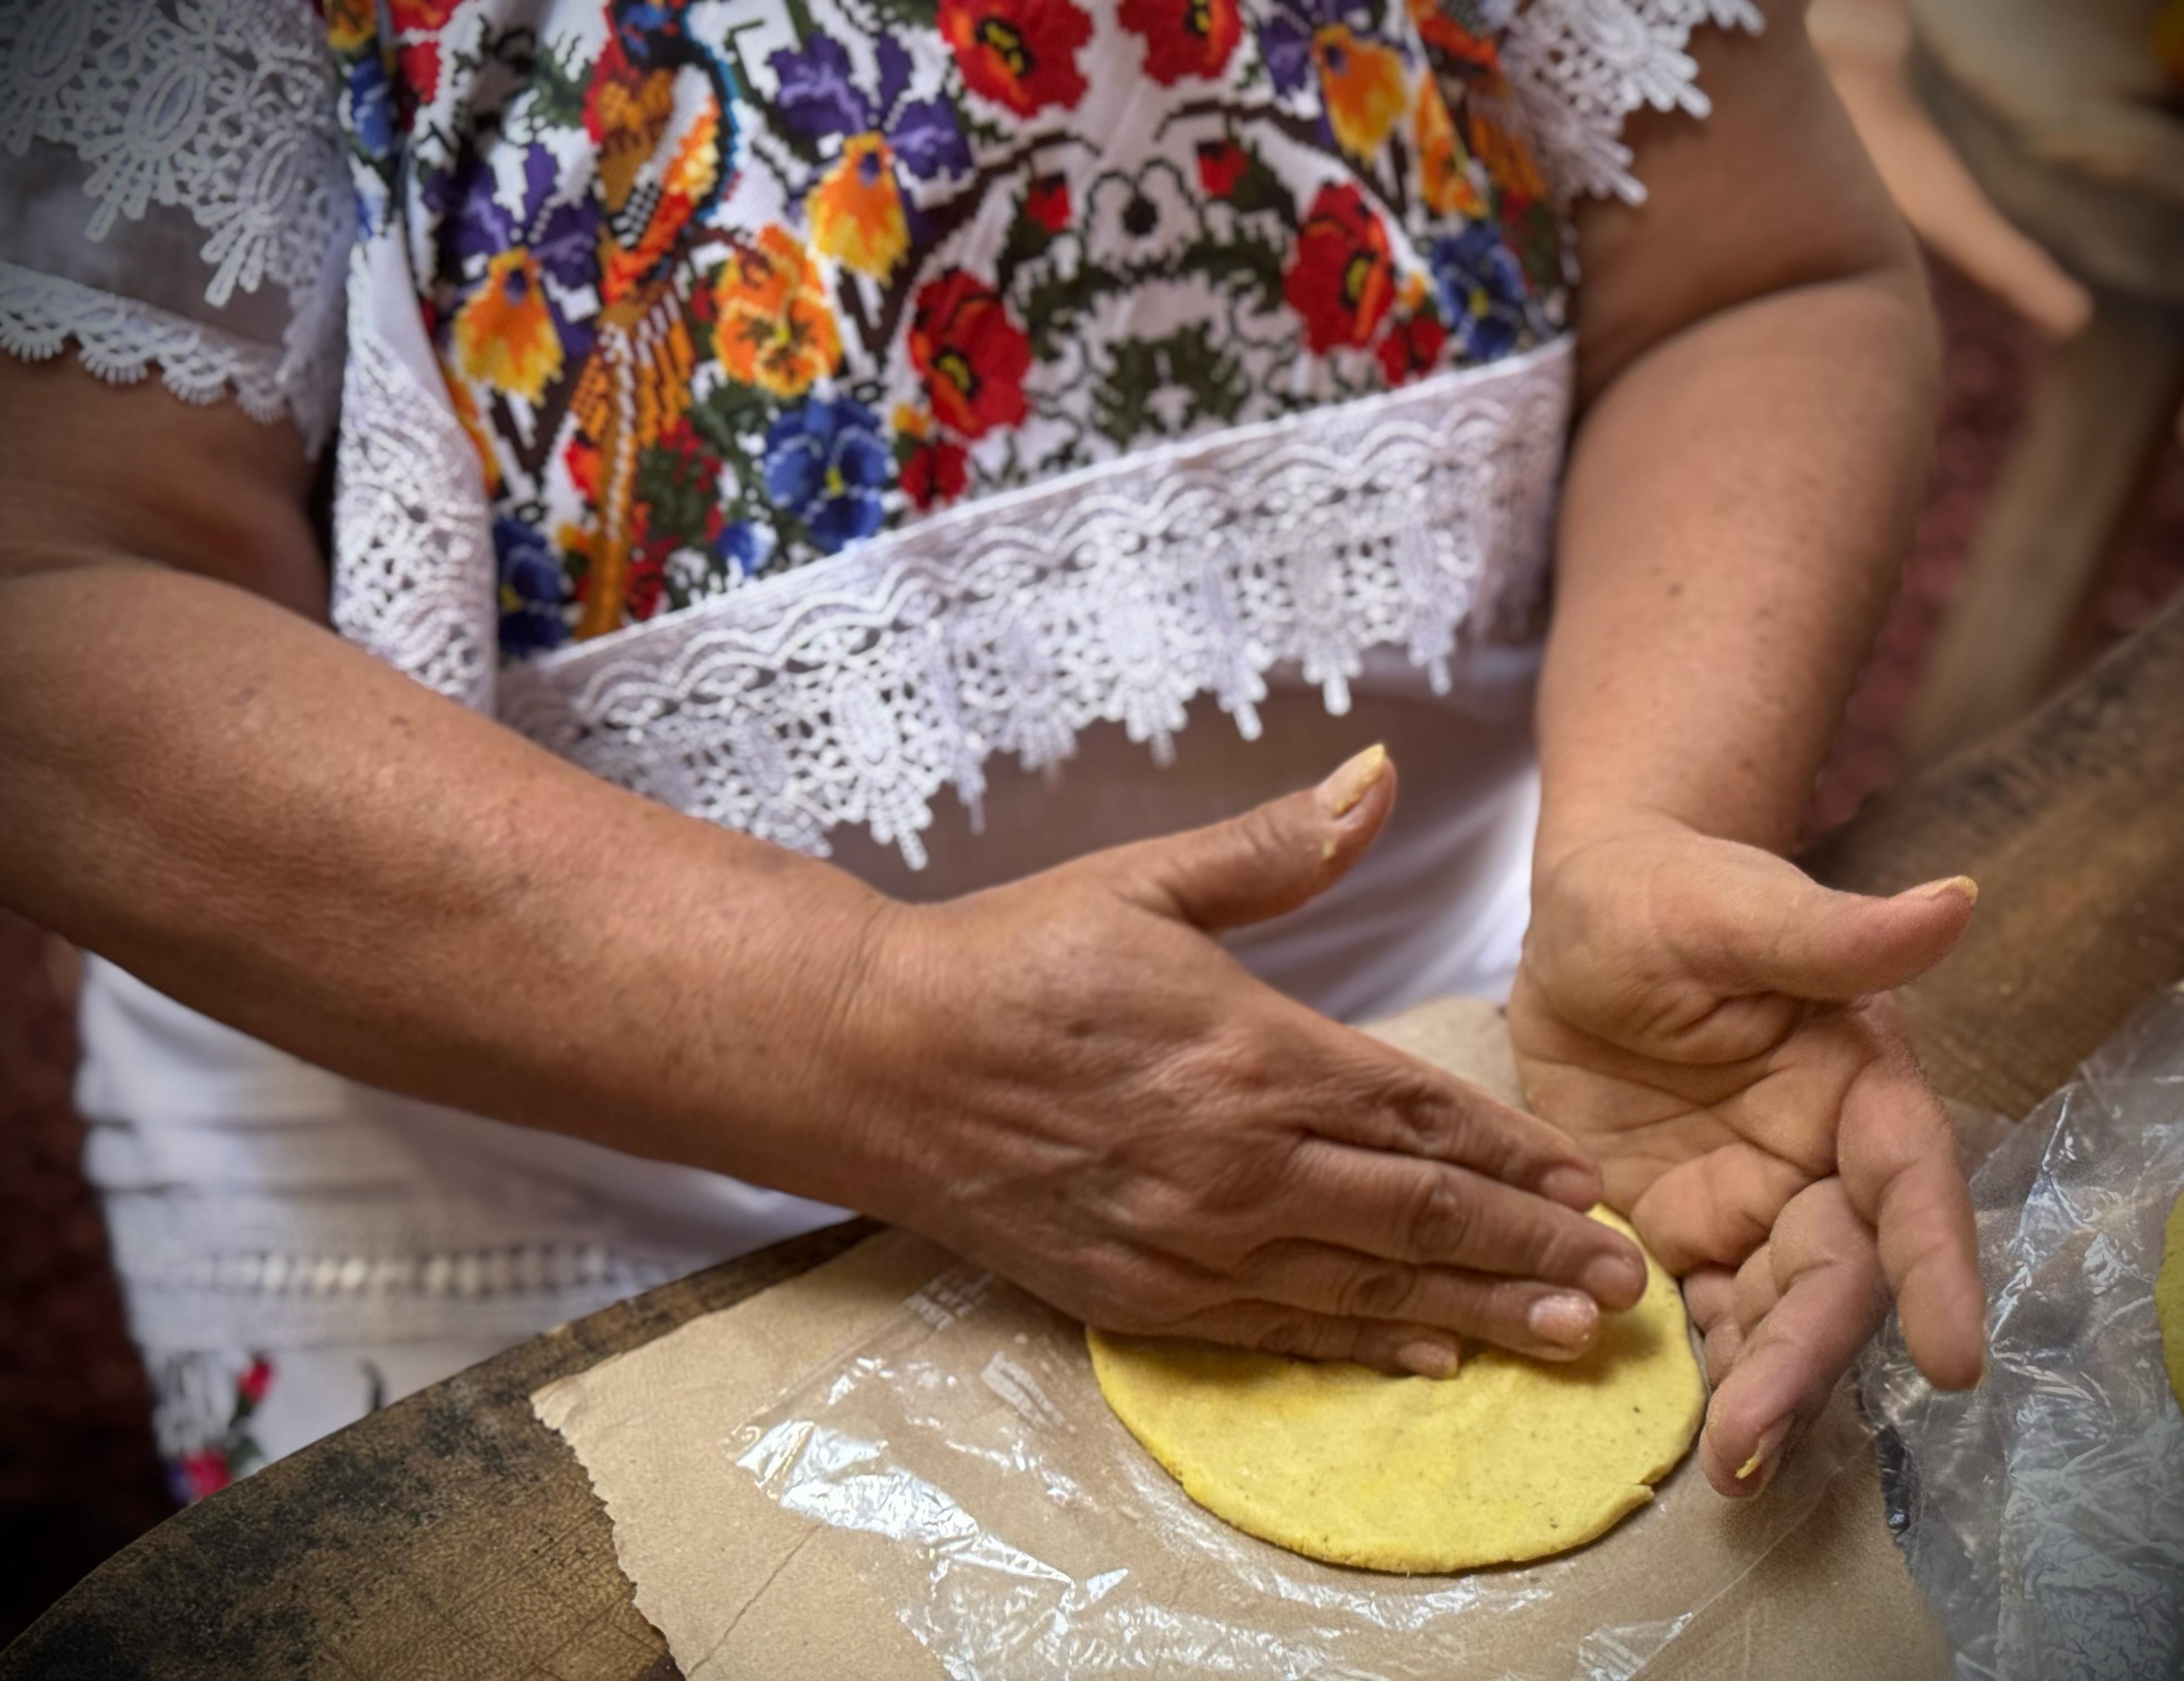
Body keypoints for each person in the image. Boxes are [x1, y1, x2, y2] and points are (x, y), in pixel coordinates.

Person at [0, 0, 1983, 1505]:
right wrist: (855, 1022)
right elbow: (53, 592)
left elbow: (1762, 275)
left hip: (1492, 1024)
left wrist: (1646, 830)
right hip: (548, 1135)